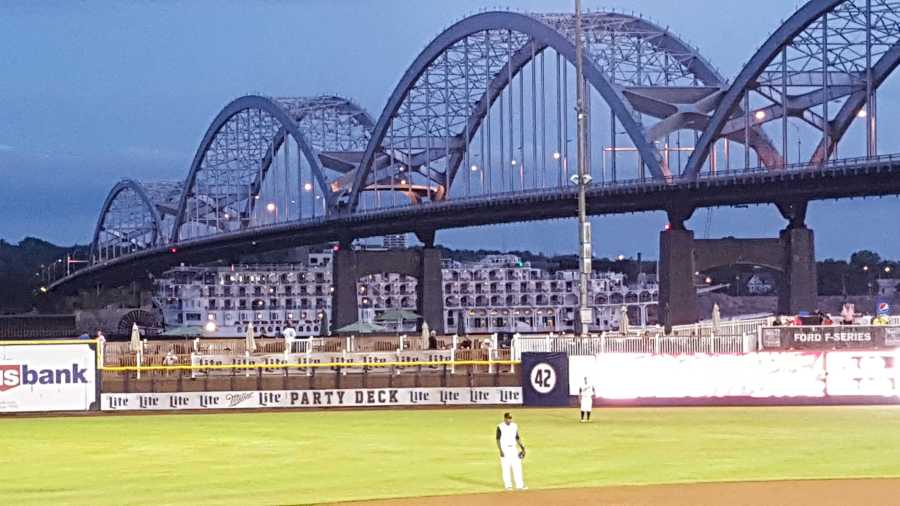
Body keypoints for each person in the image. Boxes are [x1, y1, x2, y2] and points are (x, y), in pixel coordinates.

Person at [496, 412, 526, 491]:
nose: (509, 420)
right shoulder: (500, 426)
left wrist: (522, 447)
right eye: (508, 418)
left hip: (513, 449)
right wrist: (500, 450)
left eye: (510, 418)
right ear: (504, 418)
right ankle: (508, 486)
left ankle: (520, 486)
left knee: (517, 467)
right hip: (504, 449)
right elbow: (498, 439)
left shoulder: (514, 426)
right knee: (506, 468)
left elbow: (517, 437)